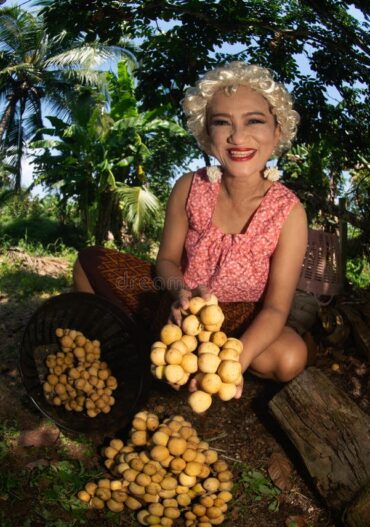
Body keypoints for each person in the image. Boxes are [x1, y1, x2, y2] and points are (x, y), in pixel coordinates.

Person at [73, 62, 308, 398]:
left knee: (290, 357)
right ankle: (133, 346)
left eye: (254, 121)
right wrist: (181, 294)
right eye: (222, 123)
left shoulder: (289, 212)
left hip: (239, 319)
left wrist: (233, 361)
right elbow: (166, 261)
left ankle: (172, 354)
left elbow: (275, 309)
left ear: (278, 132)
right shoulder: (188, 186)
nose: (238, 137)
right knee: (88, 262)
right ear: (206, 135)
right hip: (175, 301)